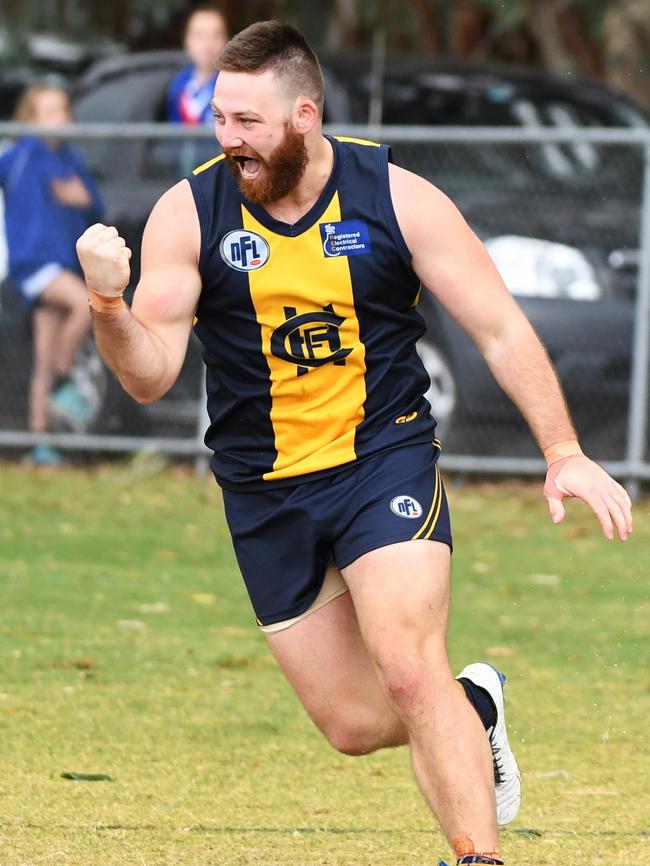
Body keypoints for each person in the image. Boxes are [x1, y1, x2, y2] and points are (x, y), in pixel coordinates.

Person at [76, 21, 633, 866]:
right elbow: (150, 376)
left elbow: (500, 328)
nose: (229, 140)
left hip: (384, 457)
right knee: (358, 723)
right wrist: (110, 307)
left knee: (410, 670)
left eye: (248, 123)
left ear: (303, 115)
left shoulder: (397, 196)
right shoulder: (189, 211)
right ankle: (475, 710)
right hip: (263, 487)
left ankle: (477, 857)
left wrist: (564, 451)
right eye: (220, 120)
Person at [0, 83, 104, 464]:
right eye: (49, 111)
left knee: (43, 354)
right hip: (35, 265)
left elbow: (96, 206)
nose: (59, 118)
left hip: (63, 264)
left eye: (63, 109)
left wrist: (84, 199)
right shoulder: (22, 154)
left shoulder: (72, 159)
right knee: (87, 303)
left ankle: (41, 444)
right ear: (30, 119)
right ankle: (64, 384)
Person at [166, 4, 229, 125]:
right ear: (187, 40)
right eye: (200, 35)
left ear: (226, 40)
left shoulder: (232, 86)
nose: (208, 45)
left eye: (216, 35)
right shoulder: (177, 84)